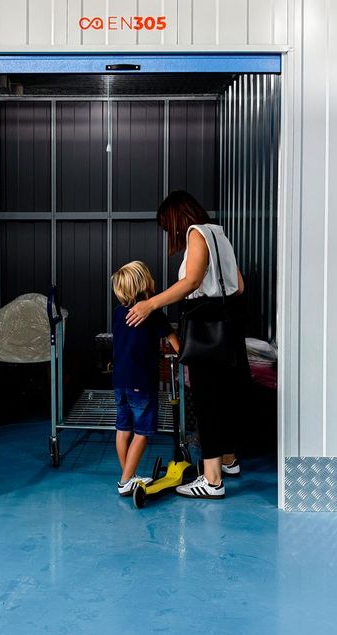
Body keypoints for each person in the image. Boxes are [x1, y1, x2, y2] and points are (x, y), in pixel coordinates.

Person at [126, 191, 246, 500]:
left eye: (168, 225)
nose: (171, 233)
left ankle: (212, 480)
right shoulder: (220, 235)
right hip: (228, 326)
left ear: (178, 218)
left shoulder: (196, 233)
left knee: (206, 401)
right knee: (224, 396)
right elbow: (239, 286)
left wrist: (150, 304)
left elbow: (191, 282)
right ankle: (228, 460)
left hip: (205, 328)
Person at [111, 261, 180, 496]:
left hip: (120, 381)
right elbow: (176, 344)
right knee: (141, 432)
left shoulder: (118, 313)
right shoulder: (153, 313)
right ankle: (125, 480)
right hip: (142, 381)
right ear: (143, 284)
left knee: (123, 429)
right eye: (149, 277)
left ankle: (128, 476)